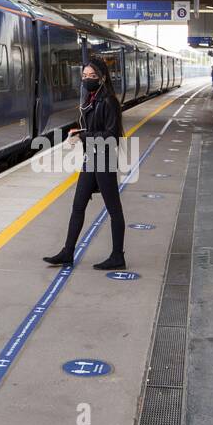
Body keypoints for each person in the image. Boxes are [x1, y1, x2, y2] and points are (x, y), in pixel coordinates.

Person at [43, 57, 127, 270]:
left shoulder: (108, 101)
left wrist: (84, 135)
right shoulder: (92, 98)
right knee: (78, 205)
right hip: (91, 158)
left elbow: (112, 136)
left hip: (104, 160)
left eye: (92, 76)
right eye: (84, 76)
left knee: (114, 209)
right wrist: (81, 134)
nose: (87, 79)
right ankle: (67, 252)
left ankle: (118, 256)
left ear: (102, 78)